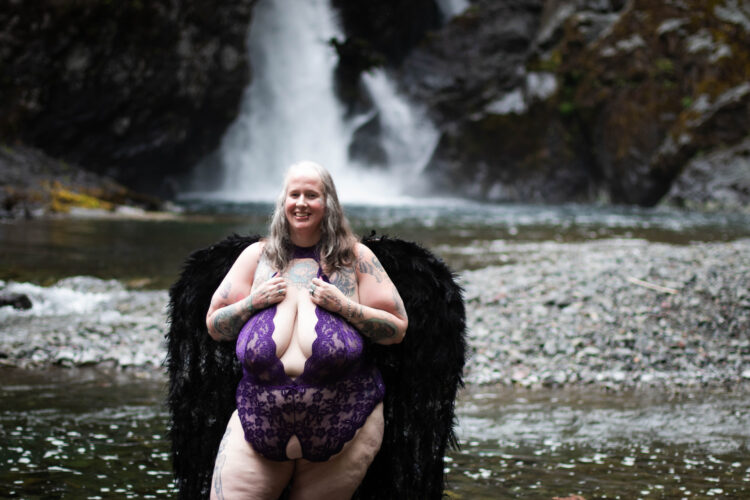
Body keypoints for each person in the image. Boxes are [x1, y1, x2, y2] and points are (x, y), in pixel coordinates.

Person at [204, 160, 408, 500]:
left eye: (311, 195)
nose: (301, 203)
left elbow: (397, 329)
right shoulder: (256, 258)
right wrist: (251, 302)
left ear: (328, 203)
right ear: (283, 202)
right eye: (293, 194)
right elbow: (214, 325)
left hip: (343, 417)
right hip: (260, 417)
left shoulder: (356, 258)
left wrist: (345, 307)